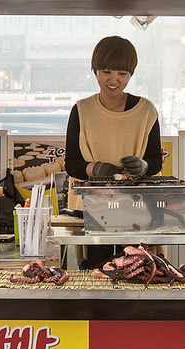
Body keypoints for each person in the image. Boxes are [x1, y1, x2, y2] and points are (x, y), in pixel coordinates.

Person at [65, 36, 162, 269]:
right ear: (95, 70)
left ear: (131, 75)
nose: (114, 80)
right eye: (106, 71)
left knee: (138, 270)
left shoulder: (146, 110)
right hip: (94, 209)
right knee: (97, 270)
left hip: (137, 208)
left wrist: (144, 166)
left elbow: (156, 161)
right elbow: (72, 163)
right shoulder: (81, 110)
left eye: (122, 73)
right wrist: (95, 169)